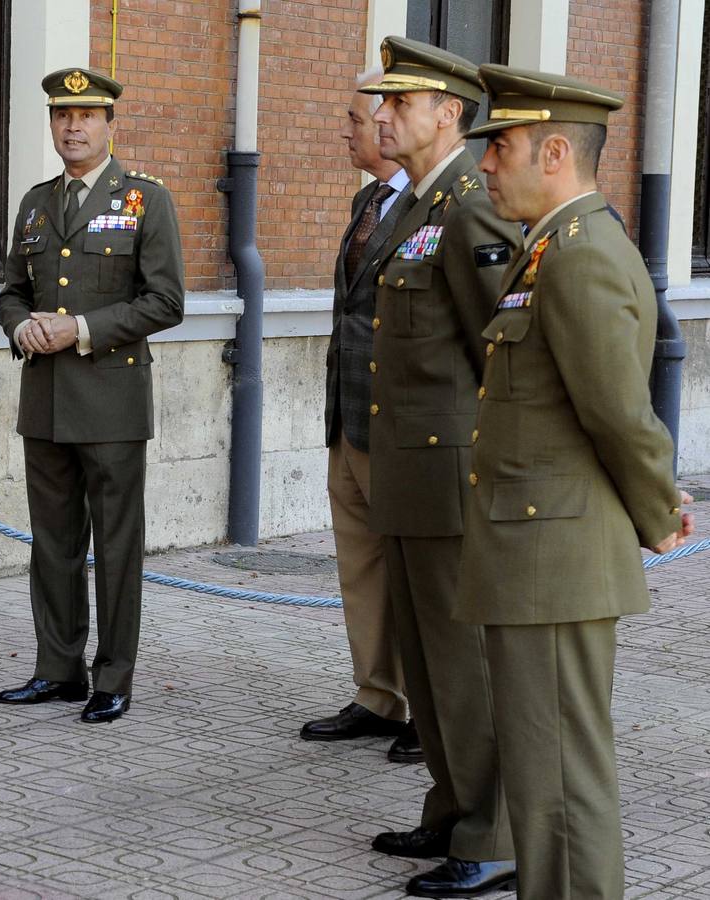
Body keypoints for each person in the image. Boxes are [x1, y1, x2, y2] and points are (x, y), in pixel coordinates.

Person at [465, 64, 696, 900]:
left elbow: (618, 416)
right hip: (535, 549)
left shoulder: (582, 254)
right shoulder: (551, 247)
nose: (486, 164)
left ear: (554, 151)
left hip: (553, 556)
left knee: (561, 776)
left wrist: (658, 512)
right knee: (542, 774)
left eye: (503, 147)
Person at [359, 37, 520, 897]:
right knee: (426, 664)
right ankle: (450, 809)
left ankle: (493, 833)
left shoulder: (468, 206)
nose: (381, 116)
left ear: (445, 114)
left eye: (398, 102)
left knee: (464, 665)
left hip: (450, 473)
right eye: (381, 103)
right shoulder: (413, 207)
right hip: (408, 473)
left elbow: (505, 353)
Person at [0, 67, 184, 724]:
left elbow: (165, 301)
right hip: (44, 400)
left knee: (116, 546)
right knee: (52, 544)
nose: (72, 127)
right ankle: (57, 669)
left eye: (86, 116)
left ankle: (113, 676)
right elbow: (12, 290)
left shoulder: (144, 200)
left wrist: (77, 329)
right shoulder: (35, 202)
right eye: (61, 116)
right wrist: (21, 326)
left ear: (109, 124)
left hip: (110, 402)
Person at [304, 68, 420, 765]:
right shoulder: (367, 199)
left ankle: (429, 710)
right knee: (362, 569)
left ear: (387, 123)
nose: (345, 130)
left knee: (414, 576)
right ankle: (379, 696)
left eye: (353, 118)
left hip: (400, 429)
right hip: (346, 418)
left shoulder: (437, 210)